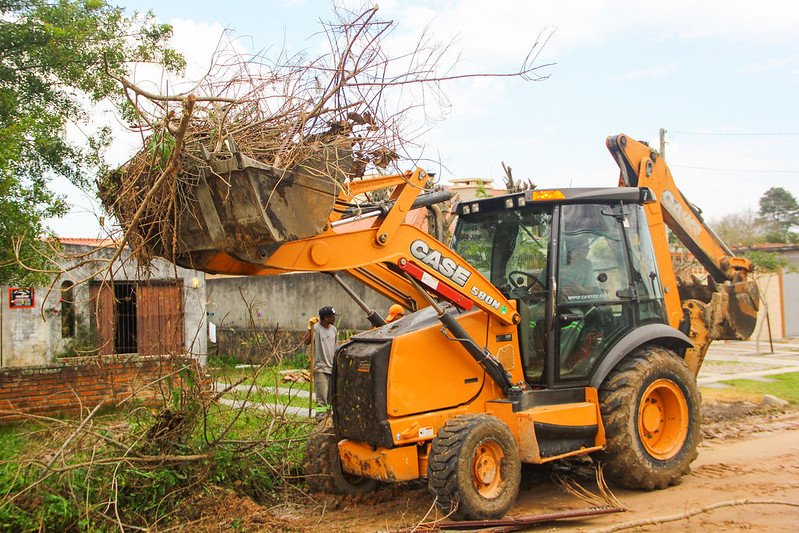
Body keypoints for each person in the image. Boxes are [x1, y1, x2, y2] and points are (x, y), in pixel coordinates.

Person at [302, 306, 338, 417]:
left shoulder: (334, 330)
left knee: (330, 397)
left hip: (332, 367)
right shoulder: (316, 328)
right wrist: (309, 327)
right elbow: (306, 341)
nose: (334, 319)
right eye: (332, 317)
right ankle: (321, 417)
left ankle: (328, 417)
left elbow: (336, 348)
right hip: (320, 368)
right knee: (322, 396)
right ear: (326, 318)